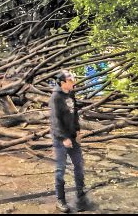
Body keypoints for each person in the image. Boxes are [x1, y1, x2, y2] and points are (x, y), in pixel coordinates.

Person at [50, 71, 91, 213]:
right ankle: (60, 200)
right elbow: (55, 122)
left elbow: (75, 113)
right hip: (61, 140)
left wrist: (78, 130)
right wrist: (64, 138)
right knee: (60, 169)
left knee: (79, 164)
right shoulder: (55, 97)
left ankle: (81, 194)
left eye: (74, 78)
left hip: (73, 136)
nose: (74, 81)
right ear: (62, 83)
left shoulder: (71, 94)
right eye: (71, 79)